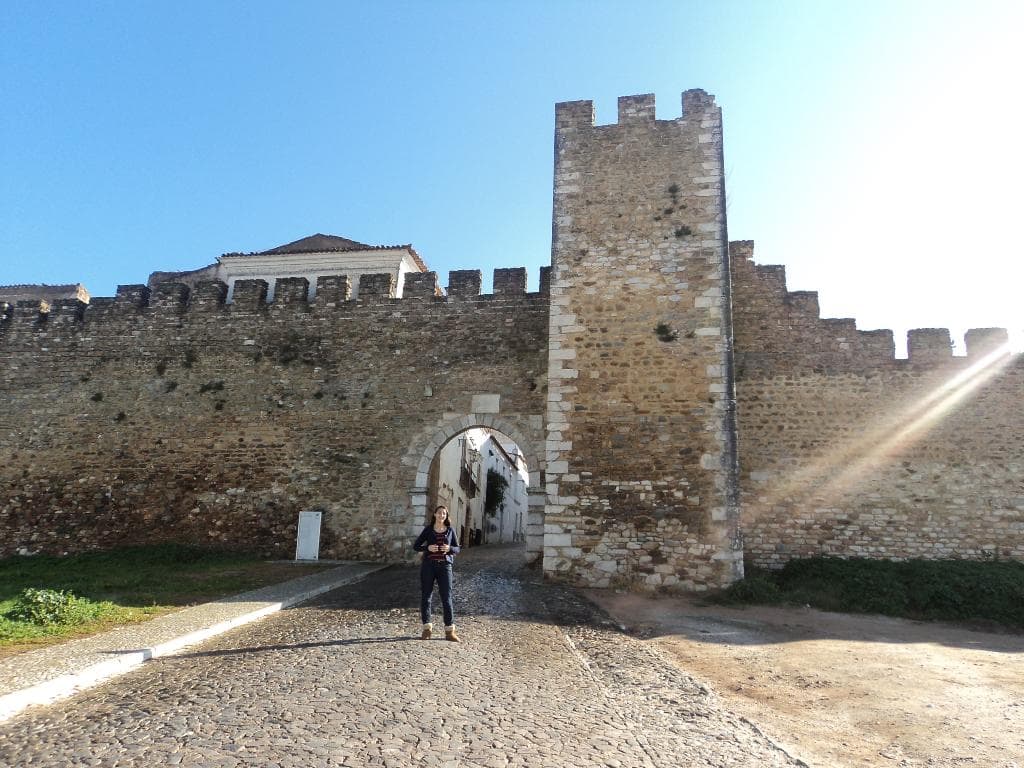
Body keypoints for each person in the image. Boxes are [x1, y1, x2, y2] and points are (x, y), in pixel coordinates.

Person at [413, 504, 461, 642]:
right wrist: (428, 548)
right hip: (429, 566)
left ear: (446, 516)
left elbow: (457, 549)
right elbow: (416, 546)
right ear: (434, 514)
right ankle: (427, 629)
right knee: (426, 596)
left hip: (445, 567)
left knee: (447, 598)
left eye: (444, 514)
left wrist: (450, 548)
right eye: (439, 513)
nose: (441, 515)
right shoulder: (428, 530)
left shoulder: (450, 530)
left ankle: (449, 631)